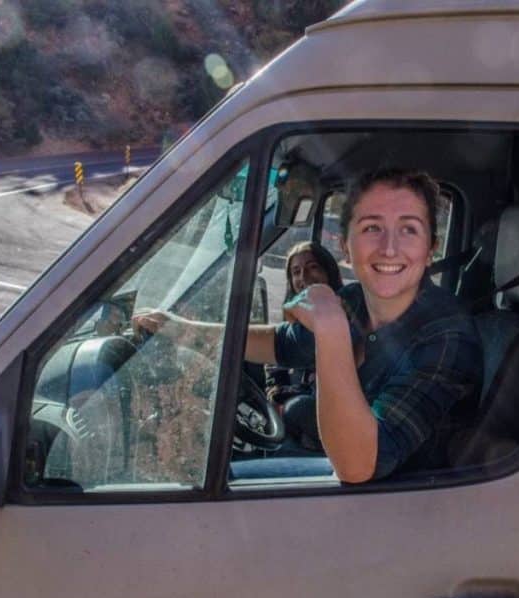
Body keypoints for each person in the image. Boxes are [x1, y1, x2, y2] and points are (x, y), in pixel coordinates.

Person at [134, 168, 483, 483]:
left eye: (408, 229)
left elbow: (360, 465)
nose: (389, 248)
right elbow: (280, 344)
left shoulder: (448, 336)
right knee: (221, 478)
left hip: (405, 510)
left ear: (430, 249)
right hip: (354, 482)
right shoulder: (354, 300)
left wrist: (330, 329)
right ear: (346, 246)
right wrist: (181, 329)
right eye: (372, 227)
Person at [265, 241, 343, 447]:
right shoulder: (292, 324)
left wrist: (287, 403)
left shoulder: (346, 315)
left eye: (313, 267)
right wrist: (275, 396)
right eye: (296, 272)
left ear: (329, 272)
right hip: (295, 427)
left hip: (332, 430)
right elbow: (275, 369)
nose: (304, 278)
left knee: (298, 408)